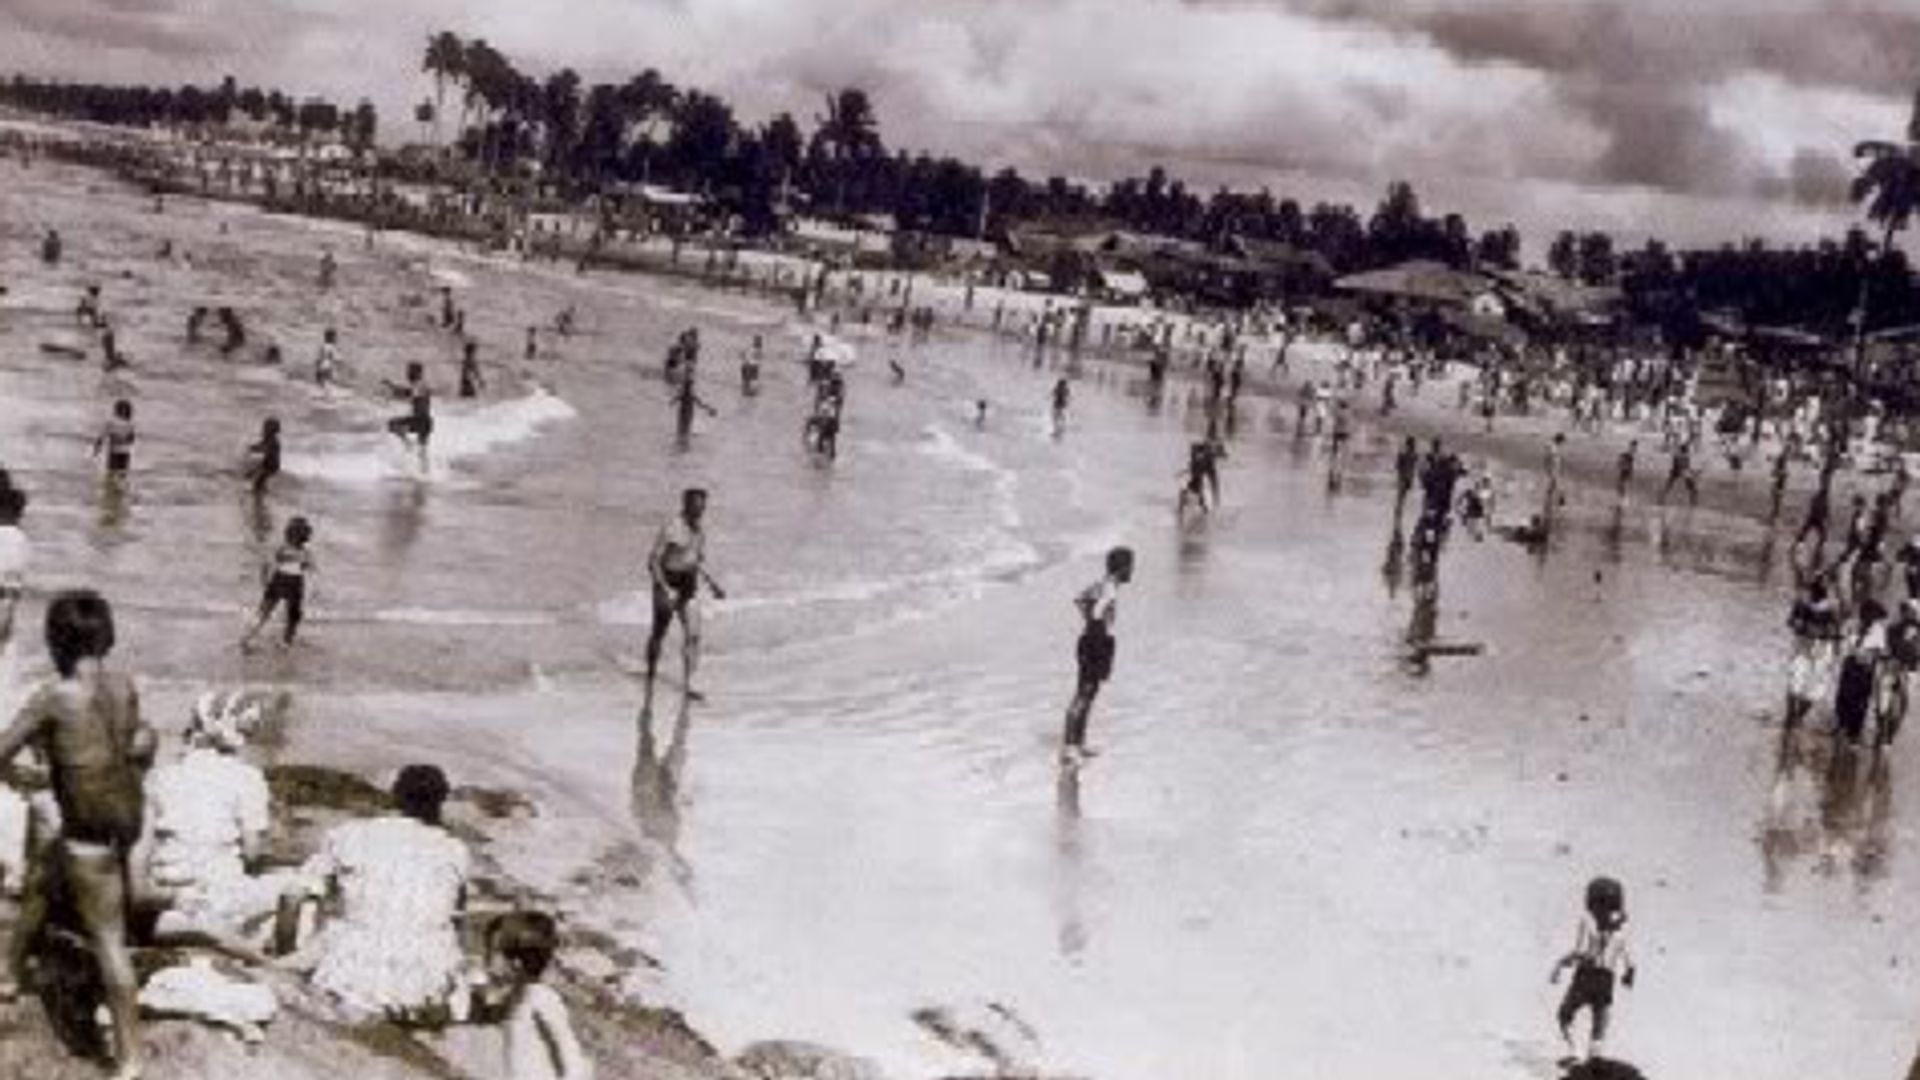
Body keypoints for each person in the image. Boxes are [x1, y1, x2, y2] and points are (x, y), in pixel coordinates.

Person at [0, 592, 154, 1080]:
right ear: (106, 637)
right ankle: (8, 971)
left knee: (108, 941)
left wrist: (25, 777)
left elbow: (3, 747)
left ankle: (130, 1058)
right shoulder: (125, 686)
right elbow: (125, 748)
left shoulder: (53, 696)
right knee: (45, 874)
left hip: (89, 835)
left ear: (54, 641)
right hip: (129, 821)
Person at [286, 764, 470, 1023]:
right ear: (440, 803)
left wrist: (287, 953)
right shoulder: (454, 850)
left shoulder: (350, 834)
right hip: (424, 979)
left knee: (315, 904)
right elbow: (456, 922)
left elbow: (292, 897)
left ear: (395, 795)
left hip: (350, 970)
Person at [478, 912, 594, 1080]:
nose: (485, 958)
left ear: (516, 961)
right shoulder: (515, 996)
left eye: (493, 952)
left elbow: (569, 1054)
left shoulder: (541, 998)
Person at [645, 489, 726, 704]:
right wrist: (664, 588)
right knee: (658, 634)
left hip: (688, 585)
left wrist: (712, 583)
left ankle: (689, 685)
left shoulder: (700, 530)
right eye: (697, 506)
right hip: (668, 583)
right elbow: (652, 561)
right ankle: (651, 674)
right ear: (686, 505)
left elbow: (694, 560)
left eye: (703, 507)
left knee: (694, 635)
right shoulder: (672, 528)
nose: (701, 511)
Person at [1549, 876, 1636, 1066]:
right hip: (1606, 979)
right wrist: (1628, 976)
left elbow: (1582, 952)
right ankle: (1594, 1055)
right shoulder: (1620, 931)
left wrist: (1560, 964)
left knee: (1565, 1014)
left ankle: (1575, 1052)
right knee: (1600, 1019)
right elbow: (1630, 963)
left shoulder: (1587, 922)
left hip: (1586, 975)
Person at [1061, 546, 1134, 764]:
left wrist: (1089, 618)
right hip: (1096, 641)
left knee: (1087, 692)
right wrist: (1096, 626)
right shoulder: (1110, 589)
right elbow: (1096, 612)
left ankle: (1078, 743)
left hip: (1091, 639)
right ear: (1122, 568)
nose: (1132, 572)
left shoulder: (1102, 583)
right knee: (1084, 694)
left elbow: (1079, 598)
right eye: (1130, 567)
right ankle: (1070, 746)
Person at [242, 517, 315, 650]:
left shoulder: (282, 548)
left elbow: (269, 563)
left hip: (279, 578)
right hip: (294, 582)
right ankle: (286, 642)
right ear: (305, 537)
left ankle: (249, 636)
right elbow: (308, 567)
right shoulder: (305, 552)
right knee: (293, 616)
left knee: (265, 610)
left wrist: (265, 578)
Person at [1787, 579, 1841, 726]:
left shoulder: (1804, 605)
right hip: (1815, 647)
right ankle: (1796, 716)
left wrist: (1803, 626)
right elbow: (1836, 634)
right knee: (1809, 686)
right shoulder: (1828, 608)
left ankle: (1794, 716)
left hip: (1811, 646)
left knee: (1798, 683)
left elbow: (1791, 623)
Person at [1834, 599, 1887, 745]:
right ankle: (1841, 723)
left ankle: (1854, 732)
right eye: (1866, 614)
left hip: (1865, 669)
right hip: (1851, 663)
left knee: (1860, 701)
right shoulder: (1853, 624)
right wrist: (1850, 649)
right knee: (1843, 696)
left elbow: (1879, 652)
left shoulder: (1878, 630)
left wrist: (1868, 655)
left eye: (1872, 616)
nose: (1868, 618)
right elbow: (1843, 640)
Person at [385, 362, 434, 466]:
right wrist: (392, 387)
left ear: (418, 373)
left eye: (410, 372)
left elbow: (407, 393)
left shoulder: (420, 385)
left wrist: (392, 388)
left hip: (420, 420)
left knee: (392, 425)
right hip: (426, 421)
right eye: (408, 372)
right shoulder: (421, 385)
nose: (407, 374)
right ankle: (426, 476)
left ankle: (408, 444)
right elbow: (408, 393)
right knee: (422, 453)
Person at [93, 399, 137, 483]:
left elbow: (101, 437)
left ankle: (112, 490)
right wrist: (123, 439)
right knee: (122, 474)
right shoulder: (130, 424)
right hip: (125, 452)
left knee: (111, 473)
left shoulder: (111, 422)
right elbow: (132, 440)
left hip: (115, 452)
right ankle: (120, 491)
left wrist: (97, 449)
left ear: (116, 409)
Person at [244, 418, 282, 498]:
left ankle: (259, 497)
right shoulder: (268, 439)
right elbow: (260, 446)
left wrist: (255, 469)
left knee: (258, 481)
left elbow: (266, 451)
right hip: (267, 464)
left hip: (271, 466)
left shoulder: (273, 441)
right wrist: (252, 448)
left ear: (271, 430)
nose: (263, 429)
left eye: (265, 428)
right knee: (258, 480)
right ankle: (263, 494)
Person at [1393, 436, 1419, 518]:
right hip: (1407, 478)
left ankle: (1398, 515)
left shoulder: (1403, 454)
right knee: (1401, 499)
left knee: (1400, 499)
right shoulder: (1414, 455)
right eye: (1413, 444)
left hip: (1403, 478)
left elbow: (1397, 466)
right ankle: (1398, 515)